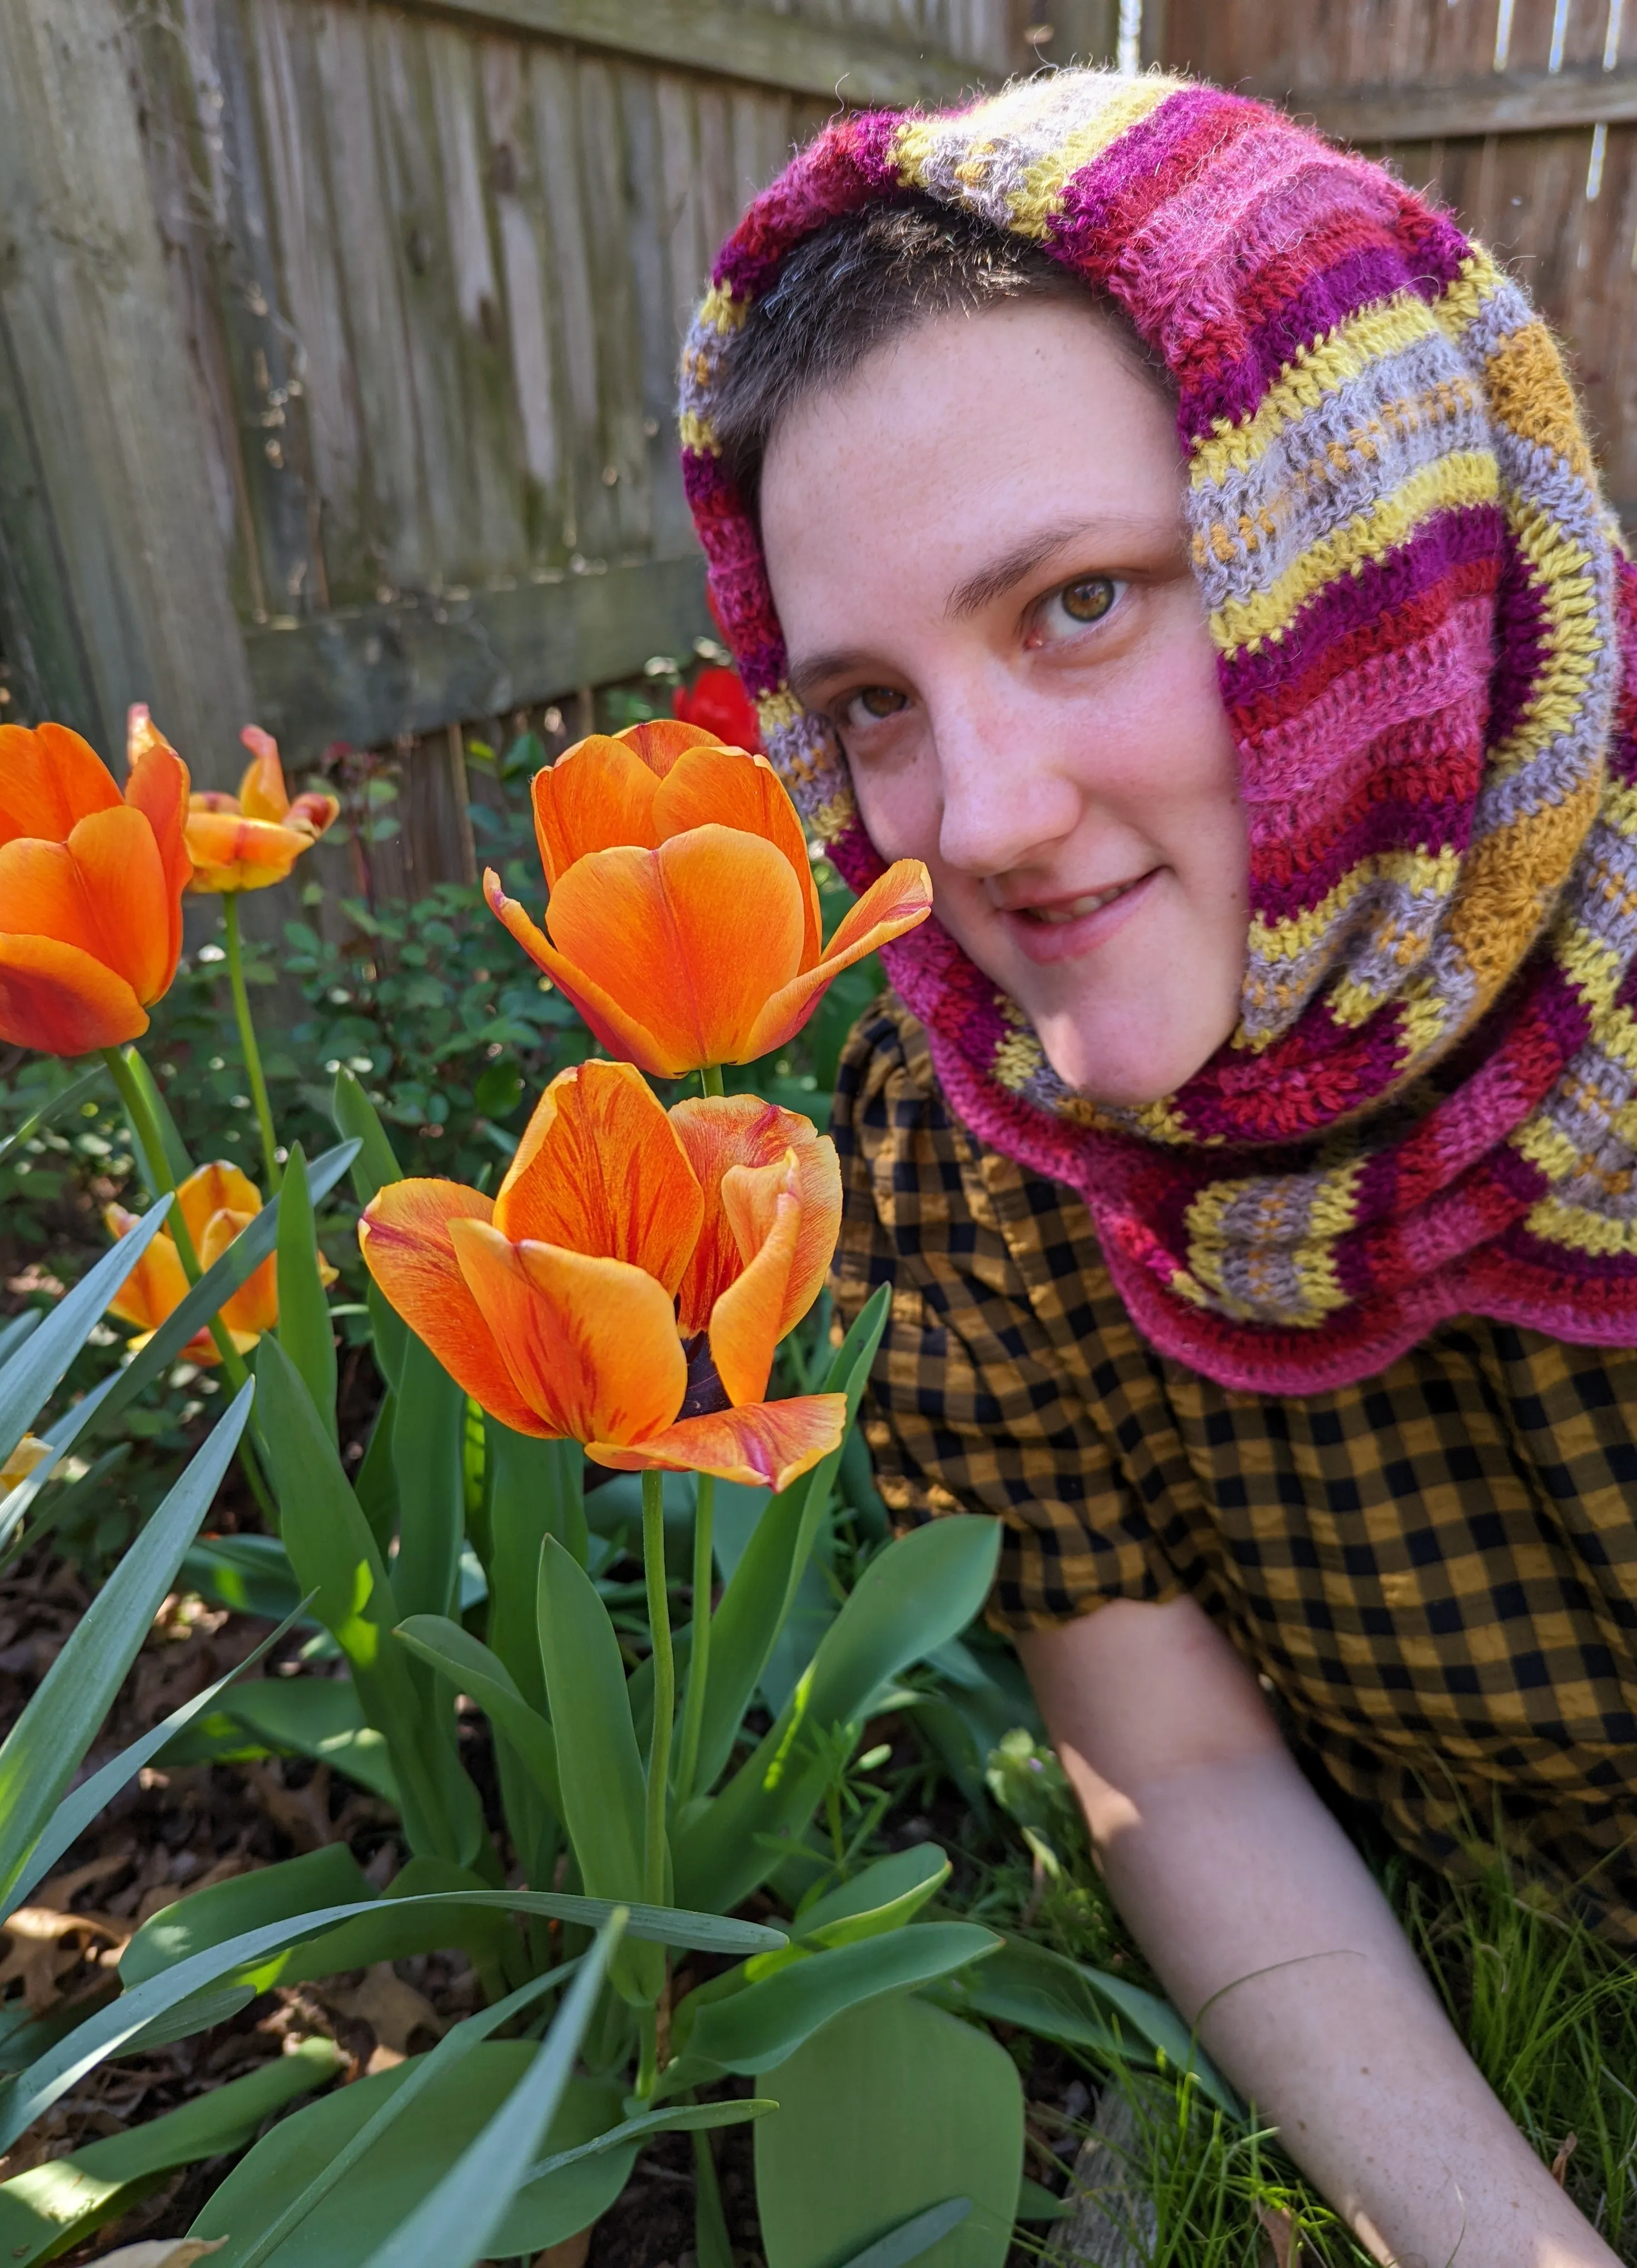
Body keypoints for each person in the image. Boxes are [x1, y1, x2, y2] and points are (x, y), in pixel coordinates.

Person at [678, 68, 1637, 2268]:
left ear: (1366, 534)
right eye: (874, 705)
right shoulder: (988, 1159)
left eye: (1084, 602)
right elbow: (1180, 1771)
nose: (975, 820)